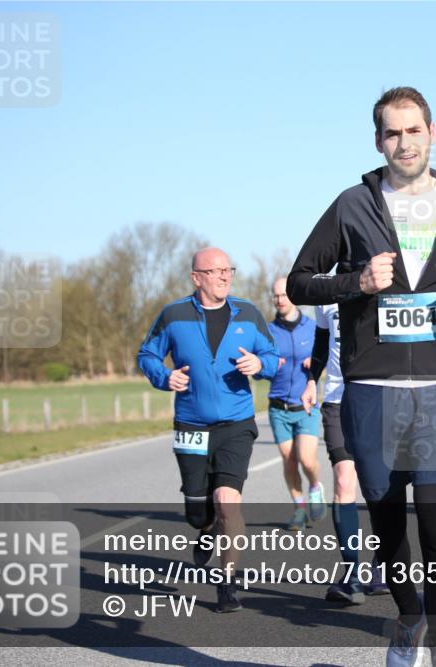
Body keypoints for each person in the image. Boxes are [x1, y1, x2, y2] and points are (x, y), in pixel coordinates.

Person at [286, 86, 436, 667]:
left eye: (413, 130)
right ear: (378, 140)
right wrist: (355, 283)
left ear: (432, 134)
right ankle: (408, 615)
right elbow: (301, 280)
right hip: (373, 391)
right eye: (392, 132)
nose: (403, 142)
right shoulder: (351, 205)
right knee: (387, 529)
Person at [137, 247, 279, 613]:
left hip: (236, 422)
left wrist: (259, 363)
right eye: (215, 271)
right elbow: (147, 354)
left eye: (228, 269)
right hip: (191, 423)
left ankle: (228, 584)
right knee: (199, 511)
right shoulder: (175, 314)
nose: (224, 276)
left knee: (228, 501)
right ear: (196, 277)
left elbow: (274, 358)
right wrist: (164, 376)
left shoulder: (248, 313)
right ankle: (204, 529)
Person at [300, 303, 390, 602]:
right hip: (337, 399)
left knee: (380, 486)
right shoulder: (327, 293)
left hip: (380, 397)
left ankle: (383, 563)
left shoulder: (388, 283)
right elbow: (321, 340)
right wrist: (312, 378)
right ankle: (352, 571)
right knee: (343, 482)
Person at [267, 278, 326, 531]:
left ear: (293, 296)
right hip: (278, 406)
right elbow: (258, 369)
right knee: (289, 461)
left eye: (283, 294)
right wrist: (268, 366)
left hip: (306, 406)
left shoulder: (313, 328)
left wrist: (314, 365)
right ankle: (299, 509)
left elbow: (325, 361)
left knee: (307, 459)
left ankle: (315, 487)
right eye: (275, 296)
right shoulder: (268, 331)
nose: (279, 299)